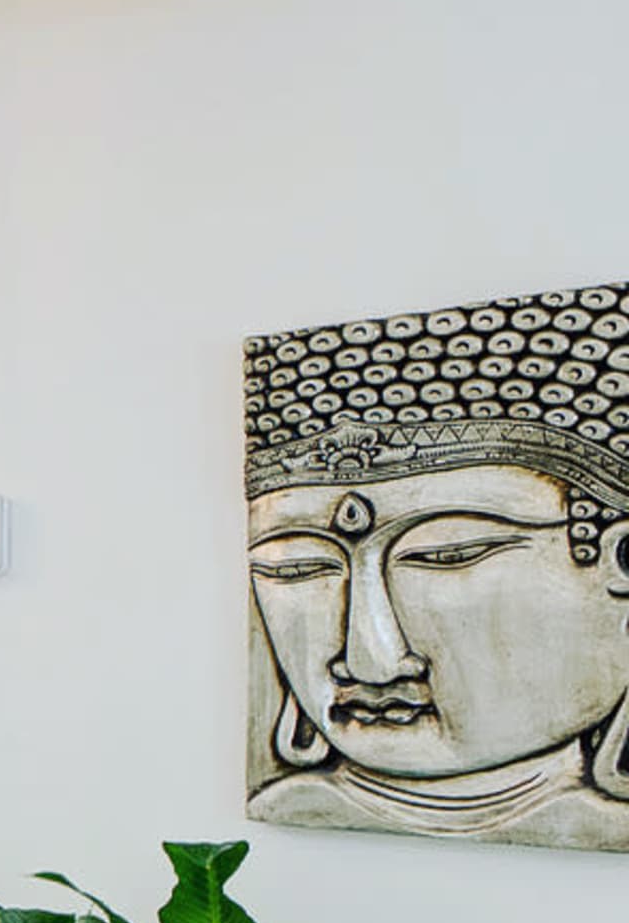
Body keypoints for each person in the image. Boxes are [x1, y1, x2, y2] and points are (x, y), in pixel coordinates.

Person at [246, 285, 629, 850]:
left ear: (621, 559)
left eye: (448, 555)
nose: (370, 661)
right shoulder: (281, 816)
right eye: (299, 569)